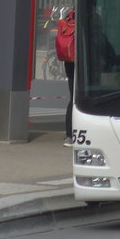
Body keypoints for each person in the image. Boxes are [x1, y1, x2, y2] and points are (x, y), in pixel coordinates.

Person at [55, 10, 76, 147]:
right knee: (81, 98)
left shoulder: (68, 18)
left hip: (69, 61)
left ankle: (69, 136)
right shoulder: (90, 17)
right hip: (81, 62)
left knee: (72, 98)